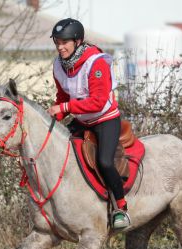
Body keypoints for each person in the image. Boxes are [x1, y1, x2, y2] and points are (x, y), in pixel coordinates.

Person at [47, 18, 130, 230]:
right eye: (57, 42)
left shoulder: (97, 62)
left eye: (64, 42)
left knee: (104, 162)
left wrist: (64, 109)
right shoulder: (59, 64)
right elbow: (62, 95)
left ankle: (120, 207)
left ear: (78, 41)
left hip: (105, 119)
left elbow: (98, 102)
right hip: (81, 120)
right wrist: (52, 119)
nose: (60, 46)